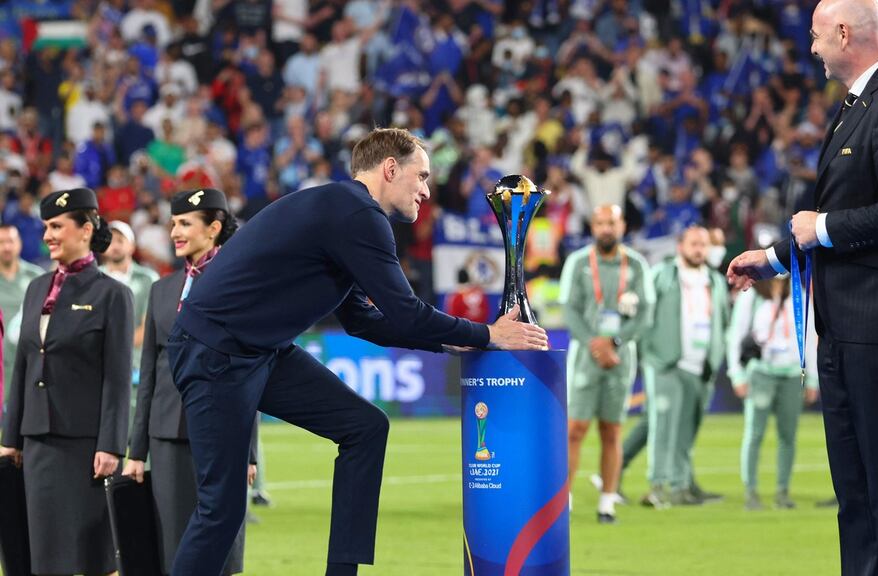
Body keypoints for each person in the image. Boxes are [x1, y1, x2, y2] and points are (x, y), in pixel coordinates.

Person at [165, 128, 547, 576]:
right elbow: (405, 312)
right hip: (214, 353)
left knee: (365, 427)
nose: (426, 190)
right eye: (421, 176)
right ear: (390, 169)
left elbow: (363, 320)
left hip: (258, 350)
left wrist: (452, 339)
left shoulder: (341, 211)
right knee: (221, 510)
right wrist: (487, 334)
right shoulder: (358, 215)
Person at [727, 1, 878, 573]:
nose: (812, 48)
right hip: (850, 326)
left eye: (817, 36)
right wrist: (774, 258)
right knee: (855, 489)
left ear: (845, 33)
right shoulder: (860, 105)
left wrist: (820, 226)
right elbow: (842, 209)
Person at [0, 187, 134, 575]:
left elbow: (118, 377)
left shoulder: (113, 294)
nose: (47, 235)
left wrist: (111, 445)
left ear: (86, 229)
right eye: (45, 227)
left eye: (57, 226)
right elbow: (23, 365)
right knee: (44, 555)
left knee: (95, 556)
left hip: (87, 448)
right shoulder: (35, 288)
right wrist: (11, 441)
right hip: (36, 443)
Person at [122, 189, 255, 575]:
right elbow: (148, 374)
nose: (175, 231)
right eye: (173, 223)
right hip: (166, 432)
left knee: (224, 539)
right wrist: (136, 451)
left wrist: (250, 452)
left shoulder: (239, 283)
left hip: (222, 429)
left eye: (185, 224)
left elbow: (253, 369)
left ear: (213, 228)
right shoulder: (160, 290)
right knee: (171, 538)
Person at [558, 204, 652, 524]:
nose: (606, 228)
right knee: (575, 429)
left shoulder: (637, 265)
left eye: (611, 222)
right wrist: (595, 344)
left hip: (621, 357)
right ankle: (563, 498)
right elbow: (569, 310)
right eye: (599, 223)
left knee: (611, 430)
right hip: (585, 356)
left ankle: (607, 502)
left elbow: (645, 314)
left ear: (622, 225)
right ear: (592, 226)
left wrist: (614, 342)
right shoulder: (578, 262)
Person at [640, 225, 729, 508]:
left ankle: (680, 487)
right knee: (662, 426)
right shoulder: (662, 275)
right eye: (693, 243)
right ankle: (657, 486)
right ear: (681, 246)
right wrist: (650, 356)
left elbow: (722, 321)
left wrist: (715, 357)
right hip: (667, 362)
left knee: (688, 430)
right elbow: (645, 317)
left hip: (701, 365)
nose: (699, 249)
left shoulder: (714, 280)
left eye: (703, 244)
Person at [727, 275, 819, 510]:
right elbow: (736, 333)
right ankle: (751, 491)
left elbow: (809, 338)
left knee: (788, 436)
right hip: (761, 373)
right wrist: (737, 373)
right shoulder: (753, 295)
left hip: (790, 375)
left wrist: (813, 379)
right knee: (754, 434)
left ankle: (782, 491)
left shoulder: (799, 295)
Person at [101, 220, 159, 377]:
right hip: (99, 365)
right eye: (110, 240)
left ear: (132, 246)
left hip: (136, 364)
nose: (114, 245)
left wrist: (115, 350)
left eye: (120, 240)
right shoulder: (93, 278)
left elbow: (148, 325)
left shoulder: (148, 278)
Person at [0, 225, 44, 392]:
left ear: (19, 243)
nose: (6, 247)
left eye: (10, 241)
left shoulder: (37, 277)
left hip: (29, 366)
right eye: (1, 242)